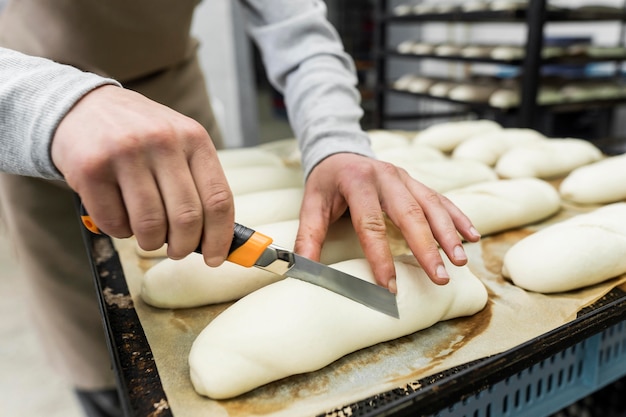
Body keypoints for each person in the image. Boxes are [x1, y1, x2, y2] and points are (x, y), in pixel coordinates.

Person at [0, 1, 480, 416]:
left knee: (205, 232)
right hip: (36, 118)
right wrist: (53, 105)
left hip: (175, 99)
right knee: (106, 351)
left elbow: (299, 31)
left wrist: (336, 143)